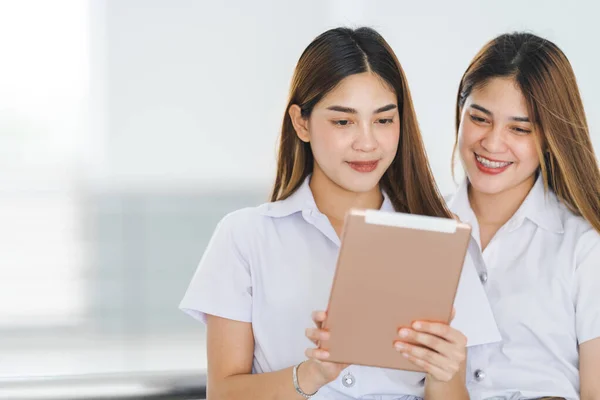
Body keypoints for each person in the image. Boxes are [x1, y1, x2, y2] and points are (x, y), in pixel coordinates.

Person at [180, 26, 499, 400]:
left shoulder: (442, 239)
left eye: (383, 120)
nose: (366, 142)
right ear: (301, 122)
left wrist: (444, 376)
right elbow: (222, 394)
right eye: (343, 121)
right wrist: (312, 375)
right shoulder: (245, 237)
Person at [448, 32, 600, 400]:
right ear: (460, 112)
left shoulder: (584, 248)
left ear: (551, 137)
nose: (493, 143)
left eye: (519, 128)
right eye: (480, 119)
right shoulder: (415, 227)